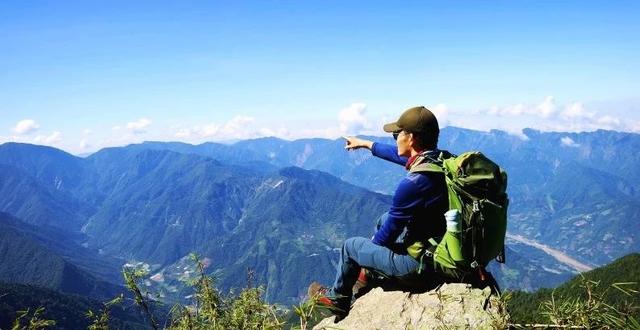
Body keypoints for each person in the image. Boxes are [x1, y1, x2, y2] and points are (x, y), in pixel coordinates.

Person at [310, 106, 450, 318]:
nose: (395, 139)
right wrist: (365, 144)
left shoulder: (413, 184)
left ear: (410, 138)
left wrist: (365, 254)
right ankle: (365, 276)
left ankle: (337, 299)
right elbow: (398, 155)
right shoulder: (442, 162)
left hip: (419, 266)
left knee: (351, 247)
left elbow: (386, 237)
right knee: (383, 218)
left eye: (397, 134)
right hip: (441, 249)